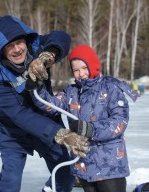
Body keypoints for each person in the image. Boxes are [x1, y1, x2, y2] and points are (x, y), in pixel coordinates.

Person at [0, 15, 90, 192]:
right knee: (10, 181)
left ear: (26, 40)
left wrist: (47, 56)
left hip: (47, 119)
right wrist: (60, 133)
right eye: (9, 46)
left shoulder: (36, 47)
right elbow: (19, 114)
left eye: (19, 42)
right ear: (1, 50)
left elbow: (62, 37)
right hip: (14, 131)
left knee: (64, 176)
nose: (17, 49)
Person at [31, 44, 139, 192]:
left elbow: (119, 122)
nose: (81, 73)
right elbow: (50, 106)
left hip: (110, 167)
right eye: (76, 70)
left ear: (93, 65)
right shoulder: (71, 92)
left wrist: (90, 129)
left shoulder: (110, 89)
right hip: (84, 166)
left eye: (84, 67)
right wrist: (37, 86)